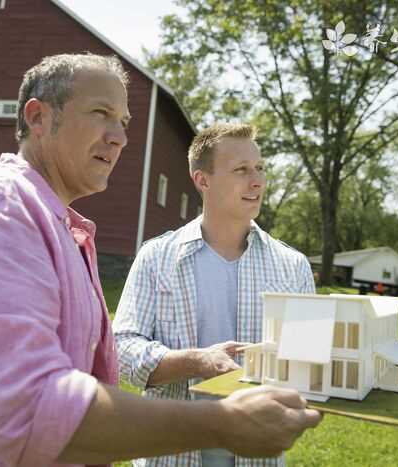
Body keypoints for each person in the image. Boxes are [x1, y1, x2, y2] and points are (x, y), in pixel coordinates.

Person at [0, 56, 321, 467]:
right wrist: (224, 422)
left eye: (124, 122)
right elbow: (29, 408)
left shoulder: (63, 229)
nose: (120, 136)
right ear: (38, 117)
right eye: (100, 113)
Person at [113, 123, 317, 467]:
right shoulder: (156, 257)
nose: (257, 181)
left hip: (258, 457)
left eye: (260, 169)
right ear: (202, 180)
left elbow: (309, 362)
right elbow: (121, 348)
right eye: (241, 170)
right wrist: (197, 361)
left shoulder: (293, 266)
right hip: (170, 455)